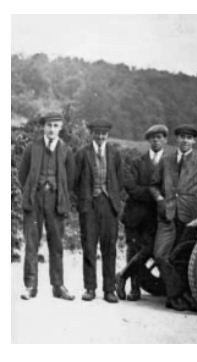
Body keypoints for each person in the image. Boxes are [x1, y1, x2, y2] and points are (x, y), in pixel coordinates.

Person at [150, 124, 197, 311]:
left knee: (183, 258)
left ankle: (177, 298)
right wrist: (159, 199)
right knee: (160, 255)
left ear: (194, 141)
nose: (185, 141)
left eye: (189, 138)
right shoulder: (166, 160)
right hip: (167, 215)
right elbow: (153, 185)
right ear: (177, 139)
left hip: (190, 217)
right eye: (182, 137)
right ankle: (177, 295)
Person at [18, 112, 76, 301]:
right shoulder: (32, 148)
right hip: (34, 200)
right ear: (44, 127)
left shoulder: (66, 150)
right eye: (49, 125)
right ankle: (30, 286)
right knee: (32, 244)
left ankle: (58, 287)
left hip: (55, 201)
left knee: (57, 244)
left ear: (61, 128)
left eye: (56, 126)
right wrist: (33, 189)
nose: (52, 129)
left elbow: (70, 178)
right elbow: (22, 174)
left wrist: (58, 192)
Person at [72, 120, 124, 303]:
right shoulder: (81, 153)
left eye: (104, 134)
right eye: (97, 133)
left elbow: (119, 179)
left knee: (109, 248)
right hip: (89, 207)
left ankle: (109, 290)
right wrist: (84, 199)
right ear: (91, 133)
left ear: (107, 135)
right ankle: (90, 288)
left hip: (109, 206)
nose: (101, 137)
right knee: (89, 247)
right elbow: (74, 180)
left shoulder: (115, 153)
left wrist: (114, 199)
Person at [115, 124, 168, 301]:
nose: (156, 140)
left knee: (149, 249)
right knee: (133, 249)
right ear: (148, 140)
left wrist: (151, 193)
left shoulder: (169, 163)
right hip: (135, 215)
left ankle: (121, 275)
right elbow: (131, 187)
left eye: (159, 137)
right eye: (152, 137)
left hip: (156, 217)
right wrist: (154, 194)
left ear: (165, 140)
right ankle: (133, 288)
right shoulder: (138, 163)